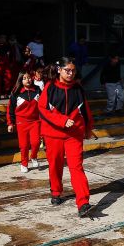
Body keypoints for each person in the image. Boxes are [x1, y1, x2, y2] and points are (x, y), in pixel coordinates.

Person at [38, 57, 97, 217]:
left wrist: (88, 128)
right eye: (67, 70)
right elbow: (42, 109)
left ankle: (83, 203)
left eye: (73, 71)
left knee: (76, 167)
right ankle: (56, 192)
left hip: (74, 135)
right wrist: (62, 121)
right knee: (55, 164)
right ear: (59, 70)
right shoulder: (50, 87)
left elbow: (85, 110)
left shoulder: (78, 88)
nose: (70, 74)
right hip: (53, 135)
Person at [7, 71, 41, 173]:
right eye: (25, 78)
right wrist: (10, 123)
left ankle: (34, 157)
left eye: (29, 77)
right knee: (24, 145)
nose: (28, 80)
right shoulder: (15, 93)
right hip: (21, 123)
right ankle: (24, 164)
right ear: (21, 80)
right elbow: (10, 110)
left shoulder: (38, 90)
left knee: (36, 142)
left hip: (35, 121)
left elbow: (43, 106)